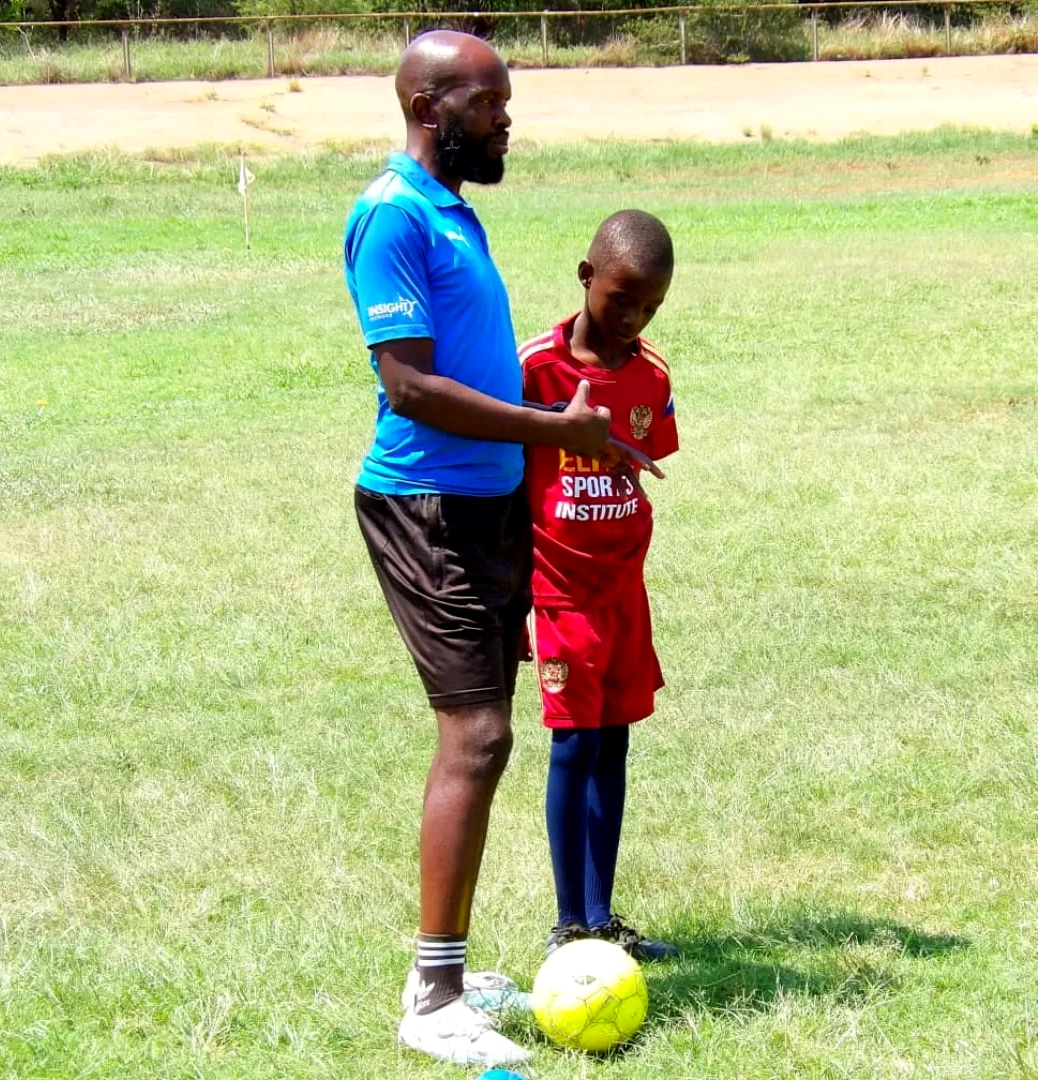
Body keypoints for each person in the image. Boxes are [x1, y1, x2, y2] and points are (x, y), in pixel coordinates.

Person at [343, 30, 614, 1067]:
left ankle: (448, 974)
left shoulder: (456, 214)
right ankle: (431, 998)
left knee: (487, 737)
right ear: (428, 103)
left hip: (489, 507)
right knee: (479, 737)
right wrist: (557, 435)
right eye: (490, 102)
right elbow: (409, 385)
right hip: (426, 508)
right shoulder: (391, 216)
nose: (508, 118)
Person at [520, 209, 682, 964]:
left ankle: (602, 914)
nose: (632, 316)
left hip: (623, 593)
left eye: (649, 306)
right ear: (586, 277)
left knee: (613, 742)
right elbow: (499, 480)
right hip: (558, 591)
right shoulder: (532, 370)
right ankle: (567, 924)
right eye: (621, 298)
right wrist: (515, 597)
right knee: (572, 743)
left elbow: (647, 462)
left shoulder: (652, 375)